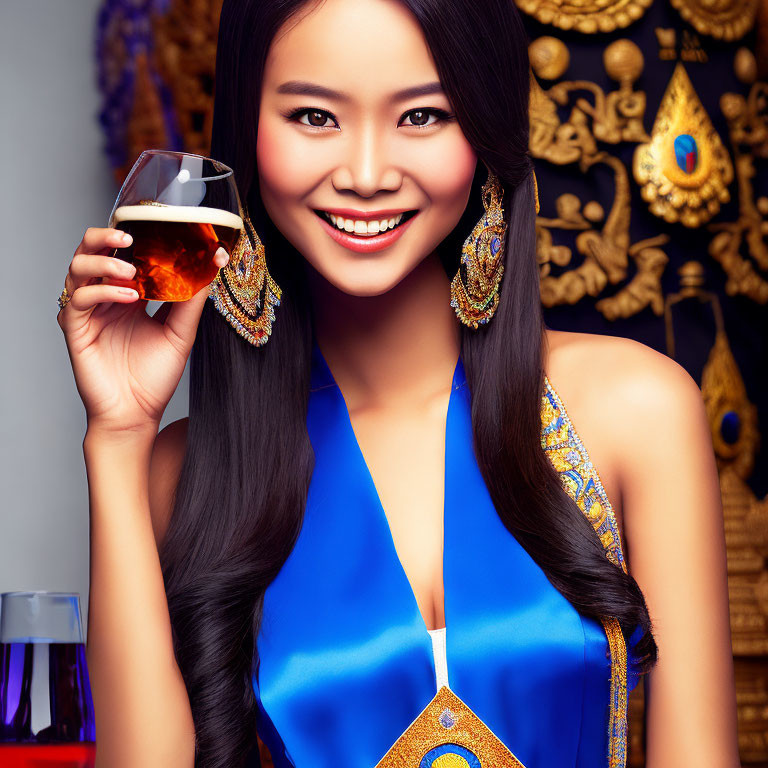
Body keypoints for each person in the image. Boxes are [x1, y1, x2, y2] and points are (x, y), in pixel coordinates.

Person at [56, 0, 741, 766]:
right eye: (314, 116)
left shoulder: (636, 412)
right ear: (246, 133)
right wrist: (117, 438)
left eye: (421, 116)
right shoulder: (180, 475)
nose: (367, 174)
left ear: (484, 131)